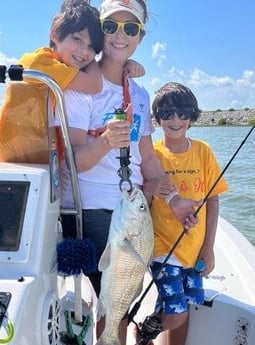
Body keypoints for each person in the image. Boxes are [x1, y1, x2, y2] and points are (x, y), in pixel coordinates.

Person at [58, 1, 201, 343]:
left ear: (140, 36)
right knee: (111, 304)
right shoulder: (79, 87)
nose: (121, 35)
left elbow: (149, 160)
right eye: (111, 27)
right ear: (100, 31)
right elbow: (72, 162)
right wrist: (106, 142)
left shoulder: (139, 93)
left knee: (120, 304)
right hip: (93, 210)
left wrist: (175, 200)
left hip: (136, 212)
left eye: (131, 28)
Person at [0, 0, 144, 163]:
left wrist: (122, 63)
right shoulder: (41, 62)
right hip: (15, 160)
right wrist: (108, 61)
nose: (83, 51)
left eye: (92, 47)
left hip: (38, 161)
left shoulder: (63, 69)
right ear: (54, 34)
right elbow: (95, 85)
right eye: (77, 39)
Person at [141, 82, 228, 345]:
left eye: (182, 113)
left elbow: (213, 201)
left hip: (194, 249)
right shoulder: (151, 155)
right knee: (176, 313)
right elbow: (140, 201)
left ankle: (153, 335)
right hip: (162, 248)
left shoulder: (203, 152)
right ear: (156, 119)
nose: (175, 120)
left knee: (185, 307)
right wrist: (151, 187)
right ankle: (144, 332)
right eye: (166, 113)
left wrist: (209, 247)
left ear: (192, 117)